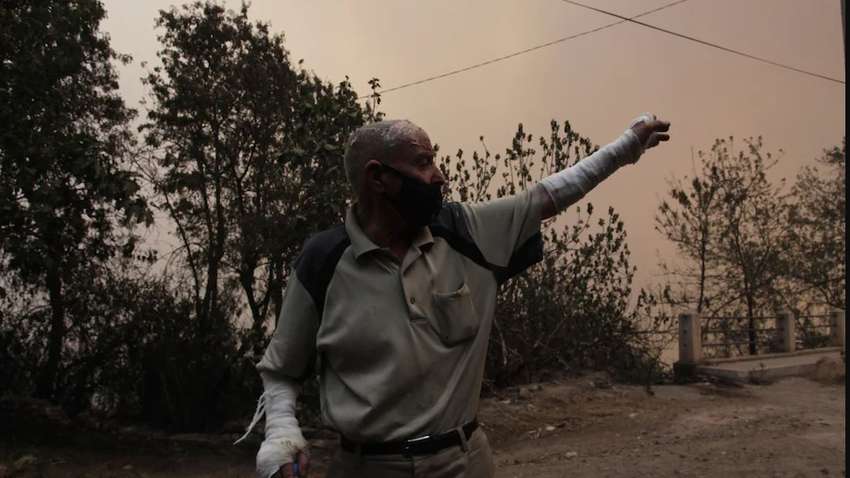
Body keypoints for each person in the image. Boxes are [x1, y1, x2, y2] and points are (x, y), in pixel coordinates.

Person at [240, 114, 671, 477]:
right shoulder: (324, 260)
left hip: (465, 462)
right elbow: (282, 369)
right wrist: (281, 430)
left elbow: (548, 195)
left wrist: (625, 148)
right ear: (378, 178)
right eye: (424, 163)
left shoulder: (465, 232)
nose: (439, 176)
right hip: (367, 468)